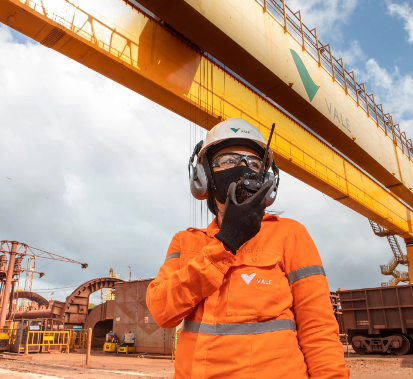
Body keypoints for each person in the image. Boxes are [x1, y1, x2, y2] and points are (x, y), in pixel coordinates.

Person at [147, 118, 349, 378]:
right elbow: (162, 312)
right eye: (229, 160)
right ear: (204, 178)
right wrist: (227, 241)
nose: (243, 168)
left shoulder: (290, 234)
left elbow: (319, 331)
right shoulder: (185, 242)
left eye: (254, 163)